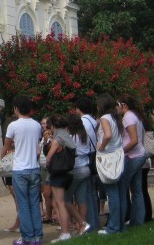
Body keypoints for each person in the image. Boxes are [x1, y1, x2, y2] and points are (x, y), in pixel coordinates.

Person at [1, 95, 43, 245]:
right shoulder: (37, 125)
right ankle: (37, 237)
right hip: (34, 168)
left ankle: (27, 237)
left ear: (16, 108)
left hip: (20, 169)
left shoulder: (13, 125)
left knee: (23, 205)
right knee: (34, 204)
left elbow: (6, 145)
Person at [45, 114, 85, 243]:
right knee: (66, 202)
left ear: (53, 126)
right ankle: (81, 223)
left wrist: (48, 164)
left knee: (59, 204)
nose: (49, 129)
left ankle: (65, 233)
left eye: (49, 126)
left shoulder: (57, 139)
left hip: (58, 174)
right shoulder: (67, 136)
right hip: (68, 173)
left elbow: (48, 158)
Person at [117, 94, 148, 228]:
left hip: (133, 156)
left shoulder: (128, 117)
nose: (116, 107)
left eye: (117, 104)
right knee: (137, 189)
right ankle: (137, 221)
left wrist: (121, 151)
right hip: (138, 155)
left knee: (122, 188)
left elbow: (134, 140)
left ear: (124, 105)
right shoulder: (135, 116)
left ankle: (120, 222)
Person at [96, 93, 125, 235]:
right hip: (117, 155)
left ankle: (113, 227)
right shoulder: (115, 118)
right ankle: (119, 225)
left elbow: (107, 135)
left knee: (112, 193)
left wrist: (101, 146)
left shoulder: (104, 118)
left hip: (108, 158)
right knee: (118, 193)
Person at [64, 113, 92, 236]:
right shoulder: (85, 136)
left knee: (66, 199)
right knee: (81, 199)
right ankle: (82, 227)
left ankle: (81, 223)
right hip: (86, 168)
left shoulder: (71, 137)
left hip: (75, 170)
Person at [75, 97, 99, 231]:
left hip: (87, 157)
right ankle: (95, 222)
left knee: (87, 193)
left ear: (79, 108)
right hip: (94, 155)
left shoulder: (83, 122)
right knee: (93, 192)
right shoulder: (93, 120)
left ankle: (91, 224)